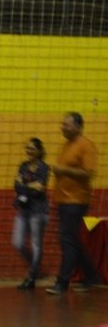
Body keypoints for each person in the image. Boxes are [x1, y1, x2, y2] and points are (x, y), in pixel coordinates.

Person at [47, 112, 100, 294]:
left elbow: (89, 173)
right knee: (72, 240)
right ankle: (91, 275)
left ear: (78, 127)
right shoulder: (66, 146)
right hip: (63, 200)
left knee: (67, 240)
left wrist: (64, 170)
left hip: (76, 201)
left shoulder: (86, 146)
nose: (63, 127)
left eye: (66, 125)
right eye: (62, 124)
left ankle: (62, 283)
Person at [12, 138, 50, 290]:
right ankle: (36, 268)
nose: (29, 151)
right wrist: (29, 187)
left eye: (32, 148)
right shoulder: (23, 166)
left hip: (39, 211)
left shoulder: (44, 167)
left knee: (36, 245)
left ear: (39, 151)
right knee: (18, 243)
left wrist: (24, 186)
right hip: (24, 209)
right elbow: (16, 186)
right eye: (27, 148)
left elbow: (40, 188)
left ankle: (32, 276)